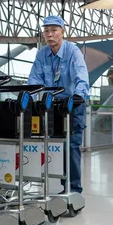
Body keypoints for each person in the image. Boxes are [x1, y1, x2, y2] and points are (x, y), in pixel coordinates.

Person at [27, 15, 90, 193]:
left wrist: (78, 96)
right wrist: (29, 98)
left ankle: (74, 189)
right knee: (56, 145)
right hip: (52, 105)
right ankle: (62, 185)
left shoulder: (73, 51)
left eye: (54, 30)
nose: (50, 34)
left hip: (73, 104)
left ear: (63, 32)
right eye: (46, 31)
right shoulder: (42, 54)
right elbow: (34, 79)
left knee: (71, 146)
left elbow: (81, 76)